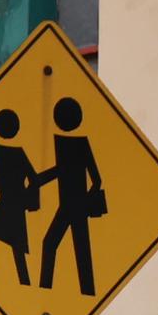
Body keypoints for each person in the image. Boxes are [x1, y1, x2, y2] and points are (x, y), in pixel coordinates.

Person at [38, 93, 108, 294]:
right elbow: (94, 178)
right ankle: (54, 290)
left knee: (54, 244)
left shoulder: (70, 144)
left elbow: (61, 171)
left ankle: (46, 290)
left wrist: (38, 180)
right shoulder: (76, 143)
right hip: (72, 205)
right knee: (75, 250)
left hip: (72, 205)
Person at [0, 106, 43, 281]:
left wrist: (26, 199)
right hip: (7, 202)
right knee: (2, 240)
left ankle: (19, 280)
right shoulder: (5, 152)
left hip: (11, 204)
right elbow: (1, 179)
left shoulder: (15, 153)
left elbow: (33, 178)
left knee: (14, 245)